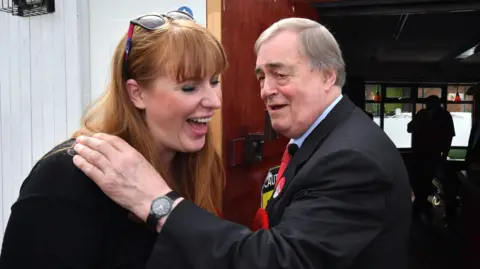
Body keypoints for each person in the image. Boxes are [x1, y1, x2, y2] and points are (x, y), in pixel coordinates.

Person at [73, 18, 412, 269]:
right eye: (262, 77)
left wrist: (159, 203)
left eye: (280, 74)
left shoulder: (351, 157)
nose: (265, 90)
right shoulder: (70, 173)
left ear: (328, 76)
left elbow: (280, 261)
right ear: (136, 93)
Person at [0, 10, 227, 269]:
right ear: (137, 93)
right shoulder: (66, 176)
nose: (214, 101)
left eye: (214, 81)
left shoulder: (197, 165)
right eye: (189, 87)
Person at [407, 95, 455, 223]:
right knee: (421, 179)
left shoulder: (442, 116)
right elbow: (410, 128)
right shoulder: (439, 115)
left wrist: (444, 155)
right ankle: (422, 203)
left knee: (426, 178)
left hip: (429, 153)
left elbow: (449, 136)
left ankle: (422, 204)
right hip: (425, 153)